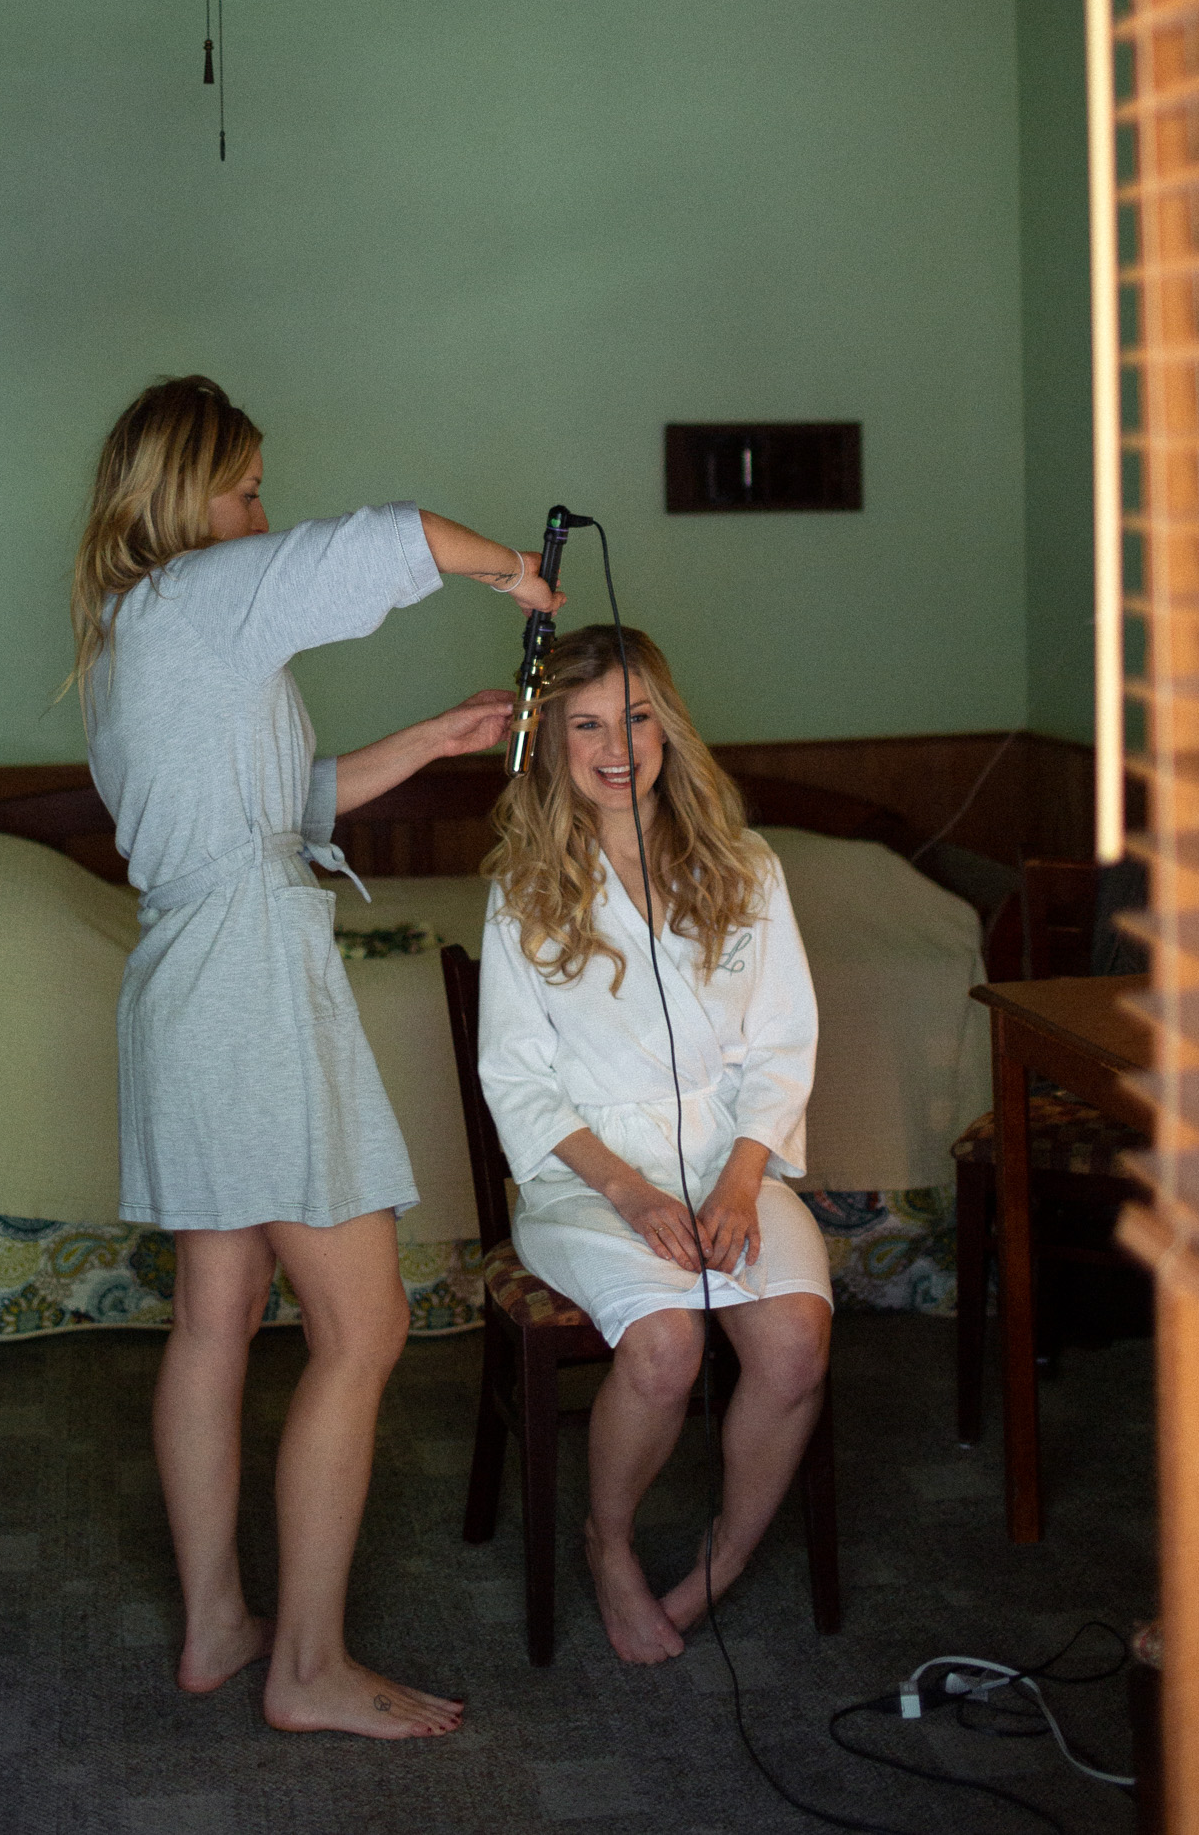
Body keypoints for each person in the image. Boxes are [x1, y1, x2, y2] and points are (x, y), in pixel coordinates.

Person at [73, 374, 561, 1739]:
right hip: (244, 987)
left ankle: (220, 1625)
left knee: (213, 1317)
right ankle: (306, 1669)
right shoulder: (204, 595)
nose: (259, 513)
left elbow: (270, 807)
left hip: (183, 980)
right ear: (184, 498)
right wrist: (511, 572)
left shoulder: (133, 637)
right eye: (243, 487)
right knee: (366, 1325)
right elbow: (393, 538)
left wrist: (435, 738)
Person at [477, 624, 832, 1666]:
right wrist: (633, 1195)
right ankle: (611, 1543)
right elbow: (518, 1081)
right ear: (553, 742)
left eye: (633, 717)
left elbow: (783, 1046)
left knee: (795, 1344)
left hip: (735, 1161)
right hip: (590, 1178)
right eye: (586, 724)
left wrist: (737, 1181)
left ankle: (723, 1557)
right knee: (668, 1344)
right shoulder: (524, 887)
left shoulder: (745, 867)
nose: (615, 744)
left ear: (666, 725)